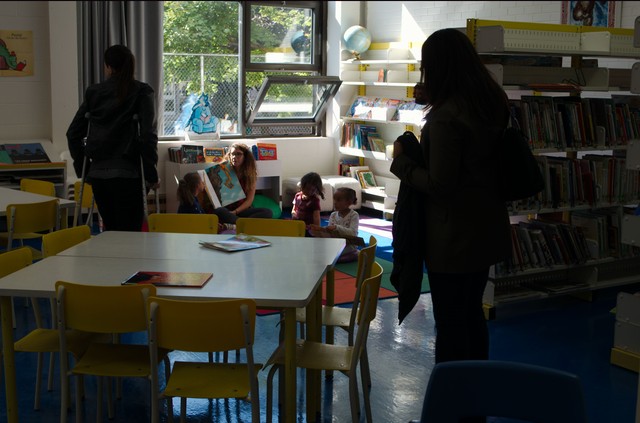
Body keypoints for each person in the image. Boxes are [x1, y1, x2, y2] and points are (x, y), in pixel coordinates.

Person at [390, 29, 511, 366]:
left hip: (452, 237)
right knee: (472, 315)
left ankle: (452, 394)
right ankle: (475, 392)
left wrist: (402, 163)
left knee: (451, 324)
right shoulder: (490, 103)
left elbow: (441, 184)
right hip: (486, 227)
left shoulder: (446, 118)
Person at [66, 44, 158, 232]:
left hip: (99, 175)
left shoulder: (94, 92)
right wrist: (151, 175)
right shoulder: (141, 91)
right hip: (128, 175)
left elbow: (73, 133)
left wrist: (85, 168)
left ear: (108, 67)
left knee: (111, 232)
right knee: (130, 233)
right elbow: (147, 136)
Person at [309, 187, 360, 263]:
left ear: (348, 203)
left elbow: (353, 233)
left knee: (331, 255)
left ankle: (353, 254)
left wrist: (336, 227)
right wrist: (319, 230)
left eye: (338, 200)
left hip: (348, 245)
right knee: (318, 249)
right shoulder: (333, 215)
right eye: (334, 200)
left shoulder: (354, 215)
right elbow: (329, 232)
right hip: (335, 243)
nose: (335, 202)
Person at [222, 143, 273, 219]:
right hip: (226, 209)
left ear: (245, 157)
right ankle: (239, 222)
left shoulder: (250, 175)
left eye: (238, 154)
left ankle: (236, 222)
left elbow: (249, 201)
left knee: (268, 212)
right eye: (232, 154)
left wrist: (235, 212)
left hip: (241, 210)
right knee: (219, 211)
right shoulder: (223, 172)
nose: (234, 157)